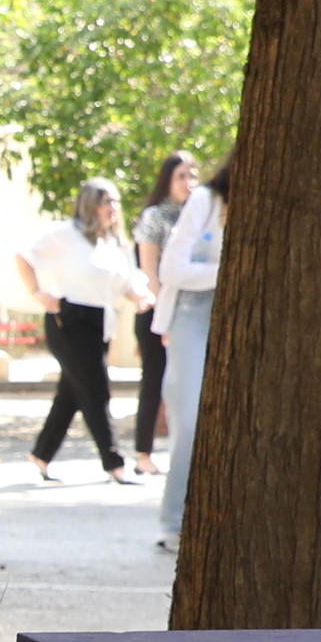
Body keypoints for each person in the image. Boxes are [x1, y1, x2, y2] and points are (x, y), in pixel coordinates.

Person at [12, 178, 149, 482]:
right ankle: (115, 464)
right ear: (91, 205)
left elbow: (126, 282)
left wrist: (141, 297)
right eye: (107, 201)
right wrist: (37, 292)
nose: (114, 208)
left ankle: (41, 455)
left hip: (101, 322)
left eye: (116, 201)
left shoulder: (114, 242)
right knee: (96, 389)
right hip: (69, 319)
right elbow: (23, 255)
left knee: (71, 393)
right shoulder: (65, 233)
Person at [157, 165, 227, 545]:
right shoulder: (206, 199)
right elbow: (172, 269)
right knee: (188, 421)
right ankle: (174, 523)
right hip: (193, 314)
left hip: (239, 312)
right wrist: (227, 270)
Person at [129, 149, 199, 471]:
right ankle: (143, 455)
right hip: (158, 311)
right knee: (154, 381)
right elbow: (149, 272)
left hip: (193, 310)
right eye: (181, 176)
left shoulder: (200, 216)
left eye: (193, 174)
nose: (188, 181)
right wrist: (165, 317)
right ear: (167, 180)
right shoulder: (155, 216)